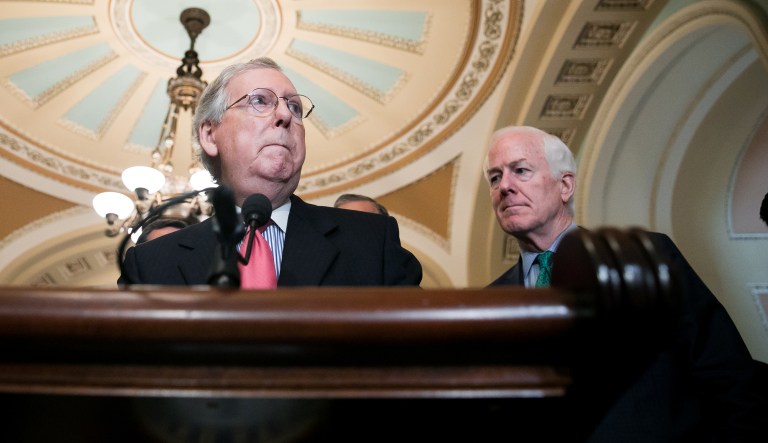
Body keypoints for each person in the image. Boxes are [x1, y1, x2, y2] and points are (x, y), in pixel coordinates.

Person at [484, 125, 764, 441]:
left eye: (520, 170)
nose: (505, 186)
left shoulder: (648, 257)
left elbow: (728, 374)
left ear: (565, 185)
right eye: (495, 178)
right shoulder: (490, 303)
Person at [118, 57, 421, 287]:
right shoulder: (151, 263)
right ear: (210, 135)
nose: (285, 115)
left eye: (294, 107)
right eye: (260, 101)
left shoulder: (370, 241)